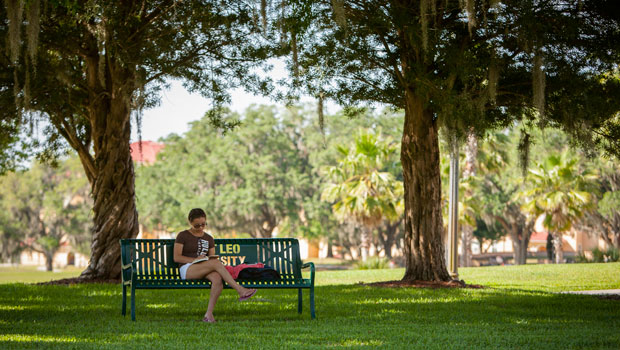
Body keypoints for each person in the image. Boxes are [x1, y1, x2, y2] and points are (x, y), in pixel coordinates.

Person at [174, 208, 257, 323]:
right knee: (216, 263)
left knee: (217, 278)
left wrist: (206, 260)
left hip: (203, 267)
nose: (201, 227)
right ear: (190, 222)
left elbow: (211, 258)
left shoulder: (209, 238)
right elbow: (177, 257)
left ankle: (208, 315)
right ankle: (240, 290)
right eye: (197, 225)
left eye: (203, 224)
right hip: (187, 269)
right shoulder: (183, 235)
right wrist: (195, 259)